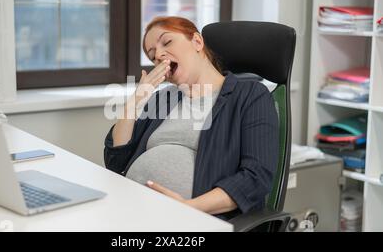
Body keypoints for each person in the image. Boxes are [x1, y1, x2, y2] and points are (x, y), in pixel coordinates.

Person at [104, 16, 279, 220]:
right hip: (129, 209)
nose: (159, 55)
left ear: (197, 41)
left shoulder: (249, 95)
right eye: (152, 56)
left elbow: (256, 177)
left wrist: (188, 207)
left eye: (167, 42)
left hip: (189, 220)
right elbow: (117, 160)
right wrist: (136, 99)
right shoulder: (164, 99)